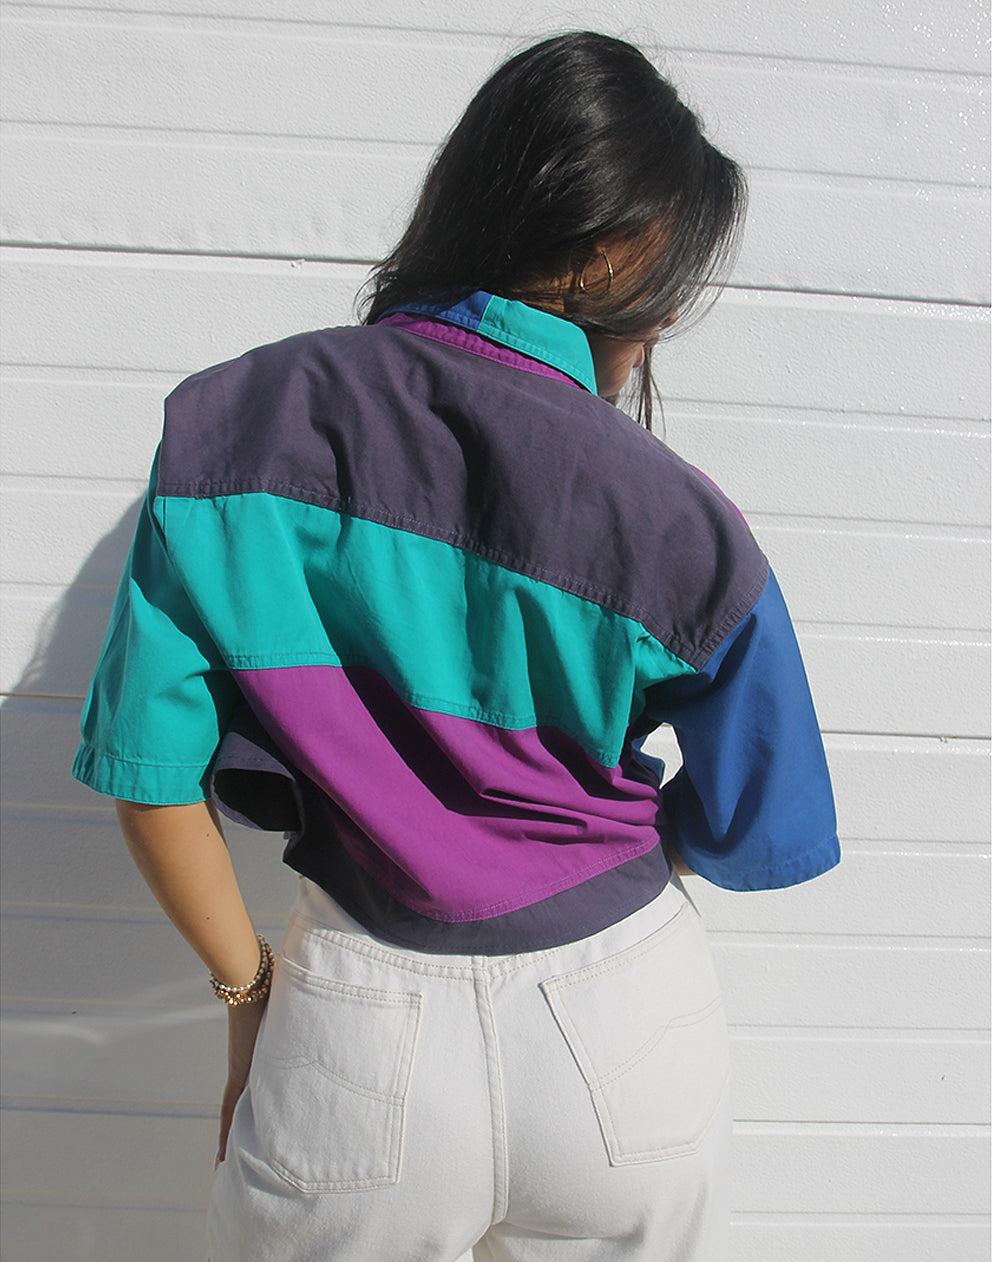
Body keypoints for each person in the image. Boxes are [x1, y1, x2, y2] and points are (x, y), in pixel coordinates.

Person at [72, 31, 839, 1262]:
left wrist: (247, 992)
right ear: (613, 269)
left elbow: (150, 780)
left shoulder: (227, 429)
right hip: (626, 1036)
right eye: (657, 309)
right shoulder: (683, 520)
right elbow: (762, 818)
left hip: (360, 1025)